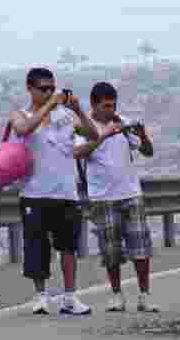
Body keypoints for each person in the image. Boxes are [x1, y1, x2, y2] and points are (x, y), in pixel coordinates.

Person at [9, 68, 101, 315]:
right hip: (34, 192)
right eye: (43, 88)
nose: (49, 92)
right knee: (36, 246)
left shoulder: (66, 116)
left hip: (66, 192)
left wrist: (78, 109)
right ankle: (41, 296)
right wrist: (49, 105)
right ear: (30, 88)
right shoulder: (21, 113)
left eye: (52, 88)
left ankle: (69, 297)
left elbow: (93, 134)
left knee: (68, 247)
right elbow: (23, 129)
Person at [73, 82, 159, 312]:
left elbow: (147, 152)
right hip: (102, 196)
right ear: (94, 104)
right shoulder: (84, 126)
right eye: (106, 106)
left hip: (131, 192)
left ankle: (144, 294)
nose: (111, 110)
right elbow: (78, 153)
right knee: (111, 250)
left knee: (141, 246)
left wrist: (143, 136)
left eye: (114, 105)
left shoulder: (122, 122)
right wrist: (103, 135)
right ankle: (116, 294)